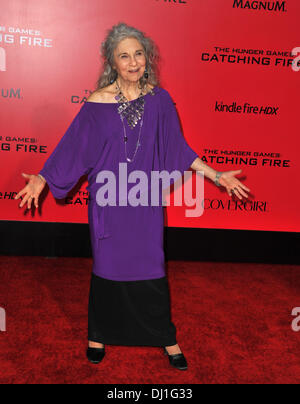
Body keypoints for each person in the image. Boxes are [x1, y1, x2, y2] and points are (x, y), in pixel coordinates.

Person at [14, 22, 250, 371]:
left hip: (144, 201)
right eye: (124, 55)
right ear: (112, 61)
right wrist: (44, 179)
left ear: (147, 57)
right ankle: (97, 335)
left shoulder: (160, 100)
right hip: (108, 203)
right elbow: (73, 147)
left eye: (138, 53)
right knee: (107, 268)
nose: (133, 61)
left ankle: (165, 337)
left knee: (150, 267)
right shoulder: (97, 102)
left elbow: (177, 149)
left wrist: (216, 175)